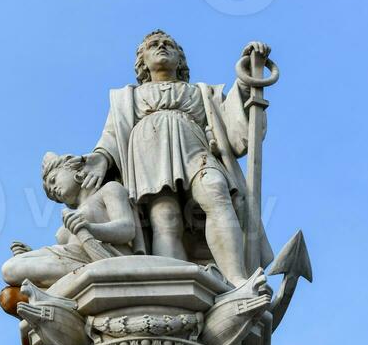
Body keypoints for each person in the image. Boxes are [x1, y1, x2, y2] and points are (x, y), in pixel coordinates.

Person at [79, 30, 273, 286]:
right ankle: (174, 283)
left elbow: (232, 122)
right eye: (153, 45)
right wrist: (101, 157)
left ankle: (235, 276)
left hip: (195, 147)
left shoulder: (202, 92)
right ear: (143, 63)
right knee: (165, 218)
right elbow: (113, 135)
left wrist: (248, 77)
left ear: (180, 61)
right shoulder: (127, 97)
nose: (161, 46)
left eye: (168, 44)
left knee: (216, 190)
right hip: (148, 152)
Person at [1, 152, 142, 291]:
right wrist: (31, 255)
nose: (54, 190)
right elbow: (65, 255)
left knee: (11, 269)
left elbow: (127, 229)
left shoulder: (109, 190)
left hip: (101, 256)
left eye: (53, 180)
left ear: (75, 169)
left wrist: (90, 228)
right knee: (13, 268)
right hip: (73, 259)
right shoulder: (68, 221)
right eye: (51, 193)